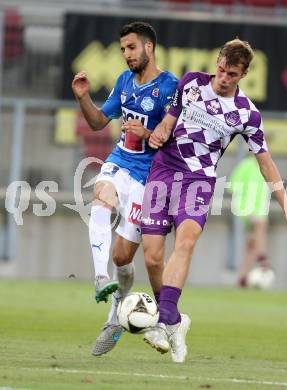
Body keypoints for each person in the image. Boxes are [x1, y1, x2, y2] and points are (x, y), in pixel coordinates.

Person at [140, 38, 287, 363]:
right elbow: (169, 121)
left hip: (199, 181)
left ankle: (163, 320)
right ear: (216, 62)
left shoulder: (247, 114)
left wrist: (286, 205)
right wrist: (158, 133)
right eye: (220, 69)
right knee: (152, 259)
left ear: (242, 74)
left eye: (231, 73)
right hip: (164, 171)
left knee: (185, 242)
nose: (223, 77)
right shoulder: (190, 83)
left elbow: (265, 162)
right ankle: (175, 321)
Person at [71, 21, 178, 356]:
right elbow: (99, 122)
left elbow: (175, 140)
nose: (127, 55)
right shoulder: (123, 82)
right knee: (101, 196)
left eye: (131, 48)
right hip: (120, 162)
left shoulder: (170, 87)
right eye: (123, 50)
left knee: (123, 256)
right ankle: (101, 278)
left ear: (149, 47)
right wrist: (83, 97)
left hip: (150, 178)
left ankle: (116, 316)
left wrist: (148, 135)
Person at [228, 155, 272, 287]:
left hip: (260, 207)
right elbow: (233, 184)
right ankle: (261, 256)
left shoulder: (267, 165)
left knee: (251, 243)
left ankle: (243, 278)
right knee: (261, 225)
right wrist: (242, 196)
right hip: (247, 206)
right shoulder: (247, 164)